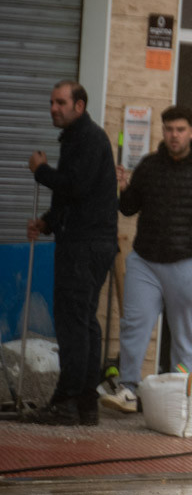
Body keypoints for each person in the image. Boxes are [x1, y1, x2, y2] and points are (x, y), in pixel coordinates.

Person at [100, 106, 192, 413]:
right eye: (169, 129)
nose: (174, 135)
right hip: (145, 259)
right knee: (134, 324)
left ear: (191, 132)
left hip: (187, 260)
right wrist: (124, 188)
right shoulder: (149, 165)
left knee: (184, 332)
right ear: (164, 131)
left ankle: (180, 397)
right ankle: (129, 389)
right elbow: (130, 209)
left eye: (180, 129)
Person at [23, 80, 118, 426]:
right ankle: (85, 404)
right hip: (88, 242)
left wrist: (41, 171)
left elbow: (75, 187)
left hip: (85, 246)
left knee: (73, 324)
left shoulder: (88, 138)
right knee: (84, 323)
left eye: (61, 102)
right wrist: (48, 223)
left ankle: (67, 402)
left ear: (79, 106)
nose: (54, 108)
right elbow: (75, 196)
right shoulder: (78, 139)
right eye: (51, 102)